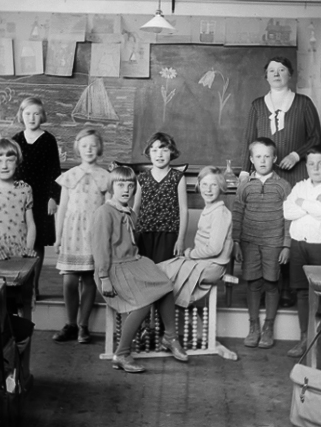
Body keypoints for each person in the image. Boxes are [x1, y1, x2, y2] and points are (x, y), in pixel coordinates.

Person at [240, 57, 321, 307]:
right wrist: (244, 173)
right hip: (265, 177)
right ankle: (266, 286)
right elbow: (249, 142)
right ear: (266, 76)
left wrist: (297, 154)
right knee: (267, 229)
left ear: (290, 74)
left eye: (282, 70)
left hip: (295, 176)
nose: (277, 74)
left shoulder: (303, 103)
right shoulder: (257, 106)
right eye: (272, 70)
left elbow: (316, 138)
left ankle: (287, 288)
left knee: (289, 229)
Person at [92, 166, 188, 373]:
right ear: (111, 187)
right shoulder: (104, 213)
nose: (126, 190)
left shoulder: (131, 213)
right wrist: (104, 277)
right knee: (143, 302)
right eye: (120, 185)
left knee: (165, 286)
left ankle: (170, 337)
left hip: (133, 263)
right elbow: (100, 249)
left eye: (130, 185)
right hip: (112, 269)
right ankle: (121, 353)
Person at [282, 145, 321, 357]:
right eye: (311, 164)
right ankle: (304, 338)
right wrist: (312, 205)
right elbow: (287, 211)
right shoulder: (300, 186)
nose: (315, 168)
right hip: (299, 244)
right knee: (301, 292)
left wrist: (301, 203)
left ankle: (320, 341)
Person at [232, 137, 292, 349]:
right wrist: (236, 242)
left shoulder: (283, 186)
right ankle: (253, 326)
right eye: (258, 156)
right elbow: (237, 214)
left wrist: (286, 245)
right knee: (253, 283)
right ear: (251, 159)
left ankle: (268, 327)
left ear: (274, 158)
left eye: (267, 156)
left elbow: (289, 217)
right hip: (249, 242)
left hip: (273, 243)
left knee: (272, 283)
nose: (263, 160)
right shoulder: (245, 186)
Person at [53, 128, 110, 344]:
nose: (89, 149)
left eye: (93, 145)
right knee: (69, 281)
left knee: (89, 280)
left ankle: (83, 325)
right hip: (72, 233)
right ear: (78, 148)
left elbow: (109, 211)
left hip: (94, 233)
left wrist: (107, 239)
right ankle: (70, 324)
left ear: (99, 148)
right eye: (84, 146)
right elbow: (62, 209)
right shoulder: (70, 175)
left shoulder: (106, 177)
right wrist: (58, 238)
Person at [158, 166, 233, 307]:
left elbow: (214, 249)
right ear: (198, 185)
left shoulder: (220, 213)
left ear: (221, 187)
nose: (208, 189)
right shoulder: (209, 209)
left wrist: (191, 253)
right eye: (204, 184)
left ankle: (170, 314)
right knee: (162, 269)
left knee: (170, 278)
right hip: (203, 261)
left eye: (213, 185)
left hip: (213, 266)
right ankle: (167, 312)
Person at [13, 97, 62, 301]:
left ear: (42, 116)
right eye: (27, 114)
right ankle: (20, 285)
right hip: (19, 197)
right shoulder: (16, 139)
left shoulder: (48, 140)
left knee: (37, 242)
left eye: (36, 114)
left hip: (42, 198)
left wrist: (53, 197)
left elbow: (54, 170)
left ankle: (33, 286)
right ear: (21, 115)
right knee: (20, 239)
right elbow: (12, 170)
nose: (31, 118)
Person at [132, 132, 188, 264]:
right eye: (155, 150)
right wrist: (131, 236)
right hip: (144, 233)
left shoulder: (177, 177)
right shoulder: (142, 178)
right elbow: (136, 208)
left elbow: (183, 210)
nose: (159, 154)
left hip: (169, 234)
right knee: (145, 270)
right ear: (149, 153)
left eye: (164, 150)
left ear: (172, 152)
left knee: (164, 270)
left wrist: (180, 239)